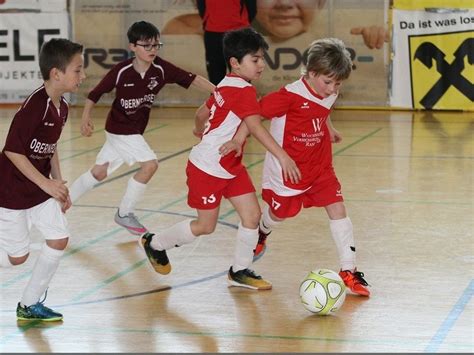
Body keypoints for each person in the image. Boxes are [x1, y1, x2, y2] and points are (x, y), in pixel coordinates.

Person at [139, 27, 301, 290]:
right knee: (205, 226)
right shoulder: (243, 91)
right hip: (207, 169)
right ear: (235, 63)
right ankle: (154, 243)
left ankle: (239, 270)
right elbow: (256, 126)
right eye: (255, 59)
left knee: (251, 216)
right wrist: (282, 157)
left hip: (230, 164)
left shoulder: (225, 84)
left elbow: (202, 113)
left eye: (262, 59)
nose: (261, 65)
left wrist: (198, 129)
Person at [229, 37, 371, 296]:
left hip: (320, 167)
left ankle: (348, 270)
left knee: (338, 209)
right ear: (312, 73)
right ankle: (263, 230)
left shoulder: (330, 90)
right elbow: (254, 116)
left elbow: (324, 108)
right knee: (280, 214)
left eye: (337, 83)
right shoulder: (289, 96)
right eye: (328, 82)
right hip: (289, 170)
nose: (332, 89)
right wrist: (239, 139)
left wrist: (328, 128)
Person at [69, 21, 215, 235]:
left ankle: (63, 202)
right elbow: (95, 93)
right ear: (132, 47)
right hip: (121, 129)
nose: (152, 50)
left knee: (99, 172)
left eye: (156, 45)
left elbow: (192, 79)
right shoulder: (121, 71)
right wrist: (85, 117)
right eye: (146, 46)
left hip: (130, 131)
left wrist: (219, 91)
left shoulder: (161, 69)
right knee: (150, 165)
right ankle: (125, 213)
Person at [0, 38, 86, 321]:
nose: (82, 76)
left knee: (58, 239)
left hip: (39, 189)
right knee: (17, 258)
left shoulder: (61, 107)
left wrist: (60, 185)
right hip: (11, 191)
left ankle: (29, 304)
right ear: (56, 73)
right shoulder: (35, 105)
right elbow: (12, 150)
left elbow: (51, 147)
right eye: (78, 70)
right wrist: (47, 184)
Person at [196, 0, 257, 85]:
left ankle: (242, 98)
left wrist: (240, 23)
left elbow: (251, 8)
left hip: (238, 31)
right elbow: (201, 5)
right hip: (213, 31)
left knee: (242, 75)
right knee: (215, 75)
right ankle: (219, 98)